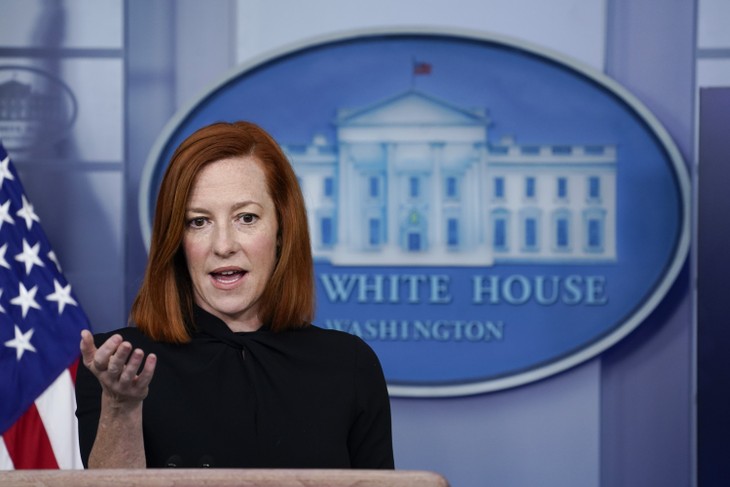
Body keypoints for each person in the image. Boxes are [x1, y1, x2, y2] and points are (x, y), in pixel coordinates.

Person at [75, 121, 394, 469]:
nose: (224, 245)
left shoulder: (349, 365)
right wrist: (120, 407)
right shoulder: (117, 367)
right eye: (199, 221)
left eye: (246, 218)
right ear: (176, 241)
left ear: (281, 231)